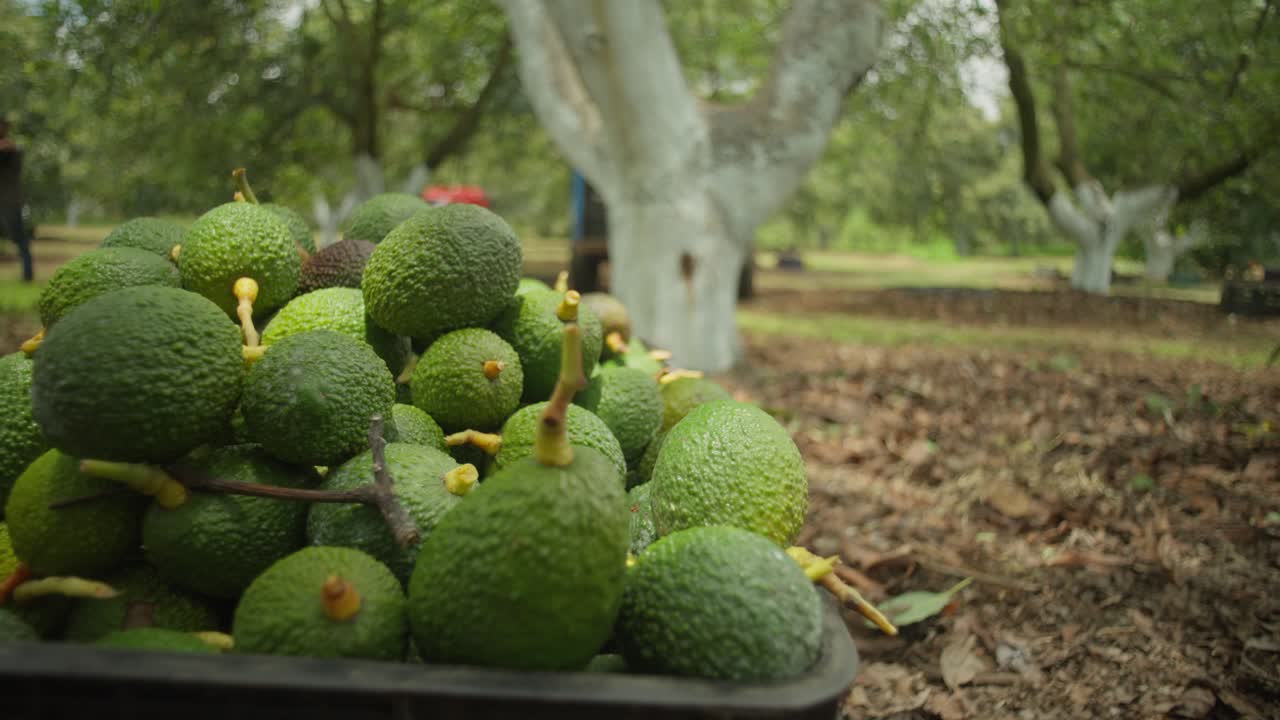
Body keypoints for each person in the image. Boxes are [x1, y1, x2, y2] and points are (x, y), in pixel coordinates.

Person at [0, 118, 34, 282]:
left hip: (9, 201)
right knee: (21, 240)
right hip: (9, 201)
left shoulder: (11, 150)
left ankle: (27, 275)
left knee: (20, 239)